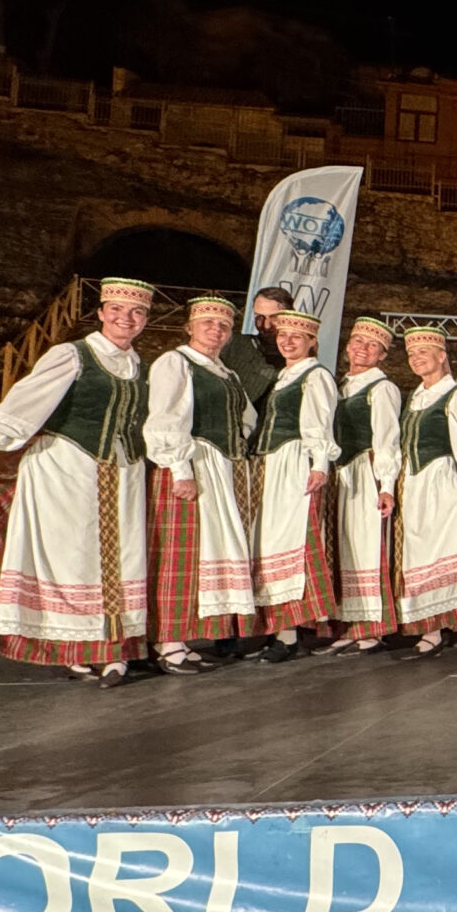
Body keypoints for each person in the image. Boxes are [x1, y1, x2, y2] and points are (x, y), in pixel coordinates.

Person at [0, 276, 154, 685]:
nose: (126, 319)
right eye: (117, 310)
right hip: (66, 468)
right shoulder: (72, 355)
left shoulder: (140, 367)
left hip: (123, 472)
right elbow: (26, 401)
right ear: (101, 313)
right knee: (72, 559)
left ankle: (114, 650)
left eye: (137, 312)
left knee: (122, 558)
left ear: (145, 320)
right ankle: (74, 649)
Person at [141, 294, 259, 672]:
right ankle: (167, 642)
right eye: (207, 322)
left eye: (223, 326)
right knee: (179, 553)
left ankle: (181, 639)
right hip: (189, 465)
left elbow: (246, 417)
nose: (216, 330)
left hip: (218, 467)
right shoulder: (176, 362)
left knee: (203, 556)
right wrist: (181, 469)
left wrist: (235, 445)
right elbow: (165, 417)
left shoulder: (228, 374)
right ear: (189, 327)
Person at [246, 309, 341, 660]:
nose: (287, 342)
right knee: (269, 544)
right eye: (283, 335)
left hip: (294, 462)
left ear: (311, 342)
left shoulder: (315, 376)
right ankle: (275, 629)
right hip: (271, 464)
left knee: (290, 543)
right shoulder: (284, 376)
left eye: (296, 337)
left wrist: (319, 465)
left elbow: (320, 424)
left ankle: (288, 634)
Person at [392, 326, 457, 654]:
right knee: (419, 555)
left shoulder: (455, 395)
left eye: (423, 352)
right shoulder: (416, 396)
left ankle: (439, 629)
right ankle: (430, 626)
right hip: (412, 483)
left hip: (439, 481)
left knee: (438, 553)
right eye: (411, 354)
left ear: (442, 356)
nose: (416, 359)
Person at [326, 316, 404, 653]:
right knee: (346, 547)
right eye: (358, 342)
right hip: (342, 474)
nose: (363, 349)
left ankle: (372, 628)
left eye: (373, 346)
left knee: (367, 546)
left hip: (366, 472)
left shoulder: (382, 388)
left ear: (382, 355)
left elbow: (388, 440)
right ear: (347, 346)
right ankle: (350, 624)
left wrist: (386, 485)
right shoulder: (339, 385)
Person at [220, 285, 291, 415]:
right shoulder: (235, 345)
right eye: (259, 317)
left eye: (274, 318)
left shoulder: (298, 358)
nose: (266, 325)